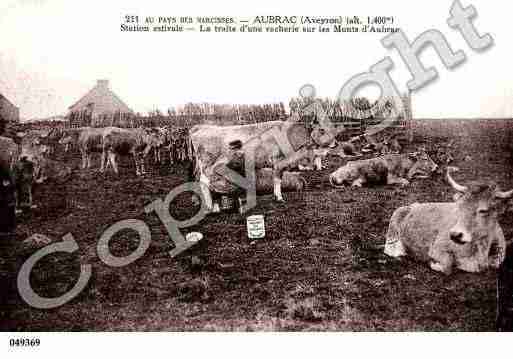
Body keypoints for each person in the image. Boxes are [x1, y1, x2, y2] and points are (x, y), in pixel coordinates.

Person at [0, 166, 16, 235]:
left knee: (7, 213)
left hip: (6, 199)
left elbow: (9, 187)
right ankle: (7, 229)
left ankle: (7, 229)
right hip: (6, 199)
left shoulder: (6, 175)